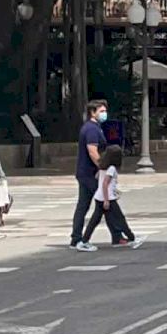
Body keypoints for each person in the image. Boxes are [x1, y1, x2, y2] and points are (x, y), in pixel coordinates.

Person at [71, 100, 121, 252]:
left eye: (105, 111)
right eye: (101, 111)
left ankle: (77, 238)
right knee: (105, 203)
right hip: (89, 174)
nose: (104, 114)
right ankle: (83, 239)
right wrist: (102, 167)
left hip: (85, 173)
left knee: (87, 206)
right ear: (93, 113)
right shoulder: (91, 129)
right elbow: (92, 151)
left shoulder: (93, 127)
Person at [80, 145, 144, 249]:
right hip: (108, 198)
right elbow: (105, 183)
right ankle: (132, 238)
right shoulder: (111, 168)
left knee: (95, 220)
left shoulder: (102, 166)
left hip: (99, 197)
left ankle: (85, 240)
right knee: (120, 219)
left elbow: (98, 177)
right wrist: (107, 199)